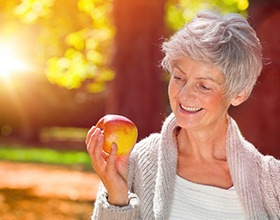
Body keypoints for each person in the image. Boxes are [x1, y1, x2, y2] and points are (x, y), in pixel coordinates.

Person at [85, 9, 280, 220]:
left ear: (239, 94)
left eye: (204, 86)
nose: (184, 95)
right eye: (179, 77)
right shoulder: (137, 164)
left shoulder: (271, 180)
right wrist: (118, 198)